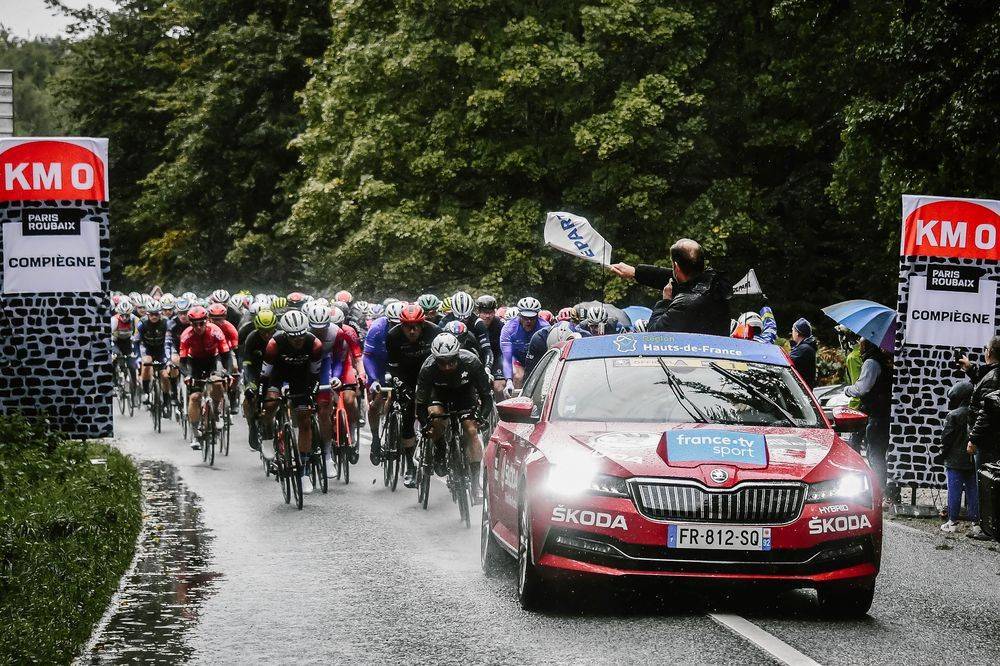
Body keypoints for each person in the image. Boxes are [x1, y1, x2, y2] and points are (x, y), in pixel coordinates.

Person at [416, 332, 494, 502]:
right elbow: (420, 404)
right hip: (439, 396)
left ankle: (475, 483)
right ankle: (440, 448)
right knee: (435, 418)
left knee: (471, 430)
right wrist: (425, 425)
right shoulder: (428, 368)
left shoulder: (472, 362)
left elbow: (487, 397)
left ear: (458, 354)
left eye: (451, 361)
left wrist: (482, 417)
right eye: (441, 362)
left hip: (464, 395)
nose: (447, 366)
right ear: (434, 358)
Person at [260, 310, 324, 494]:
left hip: (301, 378)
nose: (298, 341)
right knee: (270, 403)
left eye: (301, 336)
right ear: (285, 334)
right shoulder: (274, 344)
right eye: (293, 338)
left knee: (305, 419)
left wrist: (311, 395)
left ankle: (303, 472)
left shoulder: (315, 344)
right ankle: (267, 436)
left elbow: (315, 375)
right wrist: (261, 397)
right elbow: (264, 376)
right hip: (278, 376)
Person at [611, 239, 731, 335]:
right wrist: (635, 272)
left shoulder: (684, 304)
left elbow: (654, 334)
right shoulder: (716, 284)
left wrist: (665, 301)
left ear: (676, 267)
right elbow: (673, 278)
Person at [386, 304, 440, 487]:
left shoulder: (434, 332)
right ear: (401, 326)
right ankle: (410, 466)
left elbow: (441, 362)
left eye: (416, 325)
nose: (412, 330)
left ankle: (438, 449)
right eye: (407, 326)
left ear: (423, 324)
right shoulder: (393, 336)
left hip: (429, 374)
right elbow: (393, 369)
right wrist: (401, 387)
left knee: (435, 411)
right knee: (407, 414)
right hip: (404, 375)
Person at [844, 339, 893, 503]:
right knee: (877, 453)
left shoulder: (871, 362)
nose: (858, 343)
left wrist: (847, 390)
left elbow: (862, 388)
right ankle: (881, 490)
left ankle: (878, 491)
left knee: (874, 454)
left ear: (867, 345)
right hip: (883, 412)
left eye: (861, 342)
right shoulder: (883, 360)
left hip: (876, 414)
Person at [179, 306, 232, 450]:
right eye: (194, 324)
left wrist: (227, 372)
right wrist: (187, 375)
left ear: (206, 321)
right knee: (195, 397)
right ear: (190, 324)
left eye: (201, 323)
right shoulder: (186, 335)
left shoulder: (215, 331)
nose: (198, 327)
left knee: (217, 382)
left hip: (213, 360)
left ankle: (215, 413)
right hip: (194, 362)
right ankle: (196, 433)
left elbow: (226, 356)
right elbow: (182, 362)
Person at [363, 301, 404, 464]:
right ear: (387, 320)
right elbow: (367, 356)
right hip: (378, 364)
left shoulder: (410, 328)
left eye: (399, 324)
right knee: (377, 399)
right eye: (393, 323)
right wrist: (373, 380)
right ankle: (375, 438)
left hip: (398, 363)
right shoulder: (377, 328)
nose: (396, 327)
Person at [935, 381, 979, 534]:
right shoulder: (977, 413)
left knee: (954, 491)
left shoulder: (953, 415)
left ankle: (952, 522)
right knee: (974, 491)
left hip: (954, 461)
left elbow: (946, 438)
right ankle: (976, 523)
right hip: (972, 460)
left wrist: (941, 454)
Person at [499, 296, 550, 395]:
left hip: (537, 359)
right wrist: (509, 380)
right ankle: (516, 406)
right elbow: (507, 356)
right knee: (519, 376)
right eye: (525, 317)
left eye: (532, 318)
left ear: (537, 316)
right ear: (519, 315)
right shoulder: (509, 328)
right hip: (517, 359)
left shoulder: (545, 328)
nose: (528, 321)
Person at [789, 318, 818, 388]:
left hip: (801, 388)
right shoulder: (806, 347)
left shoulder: (803, 349)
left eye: (793, 330)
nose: (792, 333)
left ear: (797, 333)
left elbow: (786, 362)